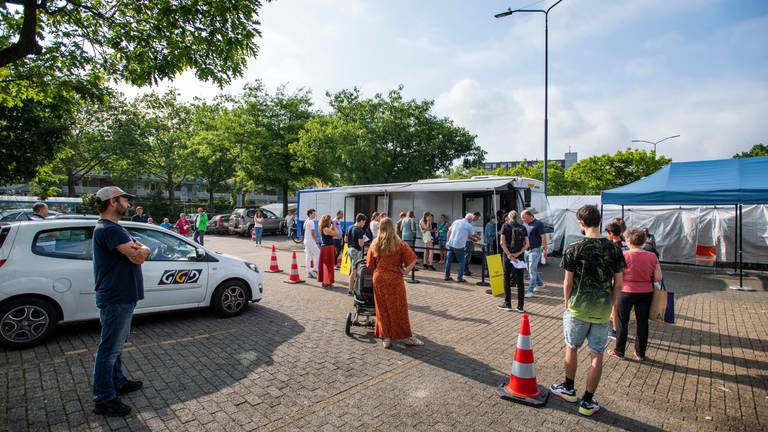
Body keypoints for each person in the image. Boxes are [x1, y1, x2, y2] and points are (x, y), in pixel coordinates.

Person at [551, 205, 626, 417]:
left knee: (572, 347)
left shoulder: (573, 247)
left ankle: (568, 388)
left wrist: (567, 304)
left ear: (581, 223)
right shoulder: (614, 249)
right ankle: (588, 400)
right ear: (599, 221)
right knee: (597, 354)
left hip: (577, 308)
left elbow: (568, 282)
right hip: (602, 311)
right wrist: (611, 306)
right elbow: (619, 284)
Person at [91, 186, 150, 417]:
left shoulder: (114, 228)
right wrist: (142, 250)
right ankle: (104, 399)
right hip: (117, 296)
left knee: (115, 346)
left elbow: (138, 254)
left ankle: (118, 381)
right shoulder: (109, 230)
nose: (128, 203)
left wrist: (141, 250)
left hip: (121, 295)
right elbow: (137, 257)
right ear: (113, 201)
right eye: (126, 199)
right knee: (109, 348)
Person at [366, 217, 422, 349]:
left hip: (379, 278)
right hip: (395, 279)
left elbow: (369, 264)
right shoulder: (400, 244)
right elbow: (413, 259)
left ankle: (386, 338)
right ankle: (407, 336)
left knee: (382, 309)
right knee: (399, 308)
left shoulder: (375, 243)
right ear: (393, 228)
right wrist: (406, 272)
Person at [609, 228, 662, 361]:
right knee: (642, 322)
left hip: (625, 292)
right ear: (644, 240)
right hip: (645, 292)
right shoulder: (652, 256)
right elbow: (658, 277)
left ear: (628, 240)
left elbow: (616, 277)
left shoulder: (623, 255)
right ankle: (640, 352)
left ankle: (619, 351)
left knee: (622, 322)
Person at [498, 211, 529, 313]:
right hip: (519, 257)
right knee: (520, 281)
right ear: (517, 217)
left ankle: (507, 304)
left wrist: (509, 255)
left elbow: (502, 242)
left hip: (508, 256)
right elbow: (527, 244)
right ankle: (520, 306)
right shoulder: (523, 227)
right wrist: (518, 253)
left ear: (509, 217)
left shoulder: (505, 226)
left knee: (506, 278)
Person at [444, 213, 479, 283]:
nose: (472, 221)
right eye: (472, 220)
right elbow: (472, 235)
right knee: (461, 261)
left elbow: (449, 231)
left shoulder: (456, 221)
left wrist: (447, 242)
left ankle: (446, 276)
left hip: (450, 244)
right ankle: (459, 278)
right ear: (470, 219)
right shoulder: (469, 226)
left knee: (449, 261)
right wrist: (477, 239)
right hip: (459, 245)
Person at [522, 209, 548, 298]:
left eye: (524, 218)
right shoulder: (524, 224)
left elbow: (543, 237)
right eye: (522, 218)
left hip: (535, 250)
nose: (523, 220)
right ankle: (540, 284)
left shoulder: (538, 224)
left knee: (532, 271)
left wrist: (545, 249)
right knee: (530, 270)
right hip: (526, 250)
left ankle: (530, 290)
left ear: (530, 216)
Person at [346, 213, 368, 295]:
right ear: (361, 221)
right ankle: (355, 289)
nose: (364, 224)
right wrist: (363, 240)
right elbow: (361, 244)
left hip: (349, 250)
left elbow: (345, 239)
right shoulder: (359, 230)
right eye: (364, 222)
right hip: (356, 250)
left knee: (353, 270)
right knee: (356, 271)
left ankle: (350, 289)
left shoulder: (349, 227)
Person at [316, 214, 338, 288]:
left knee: (327, 265)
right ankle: (326, 282)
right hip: (327, 248)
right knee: (328, 265)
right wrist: (334, 225)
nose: (330, 221)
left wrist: (332, 225)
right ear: (327, 221)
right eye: (330, 220)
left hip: (325, 248)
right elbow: (336, 234)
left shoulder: (322, 228)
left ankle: (326, 281)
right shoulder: (326, 229)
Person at [463, 212, 481, 276]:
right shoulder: (468, 222)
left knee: (468, 256)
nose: (477, 219)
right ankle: (465, 271)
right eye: (478, 218)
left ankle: (466, 270)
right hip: (467, 241)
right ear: (475, 216)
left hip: (469, 241)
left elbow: (471, 233)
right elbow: (470, 234)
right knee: (467, 257)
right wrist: (476, 238)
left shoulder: (471, 222)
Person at [303, 209, 320, 279]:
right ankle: (315, 270)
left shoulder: (306, 221)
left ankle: (308, 272)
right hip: (310, 241)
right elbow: (313, 233)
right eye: (313, 214)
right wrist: (316, 240)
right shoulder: (311, 222)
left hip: (306, 241)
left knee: (308, 256)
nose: (315, 215)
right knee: (318, 253)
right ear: (310, 214)